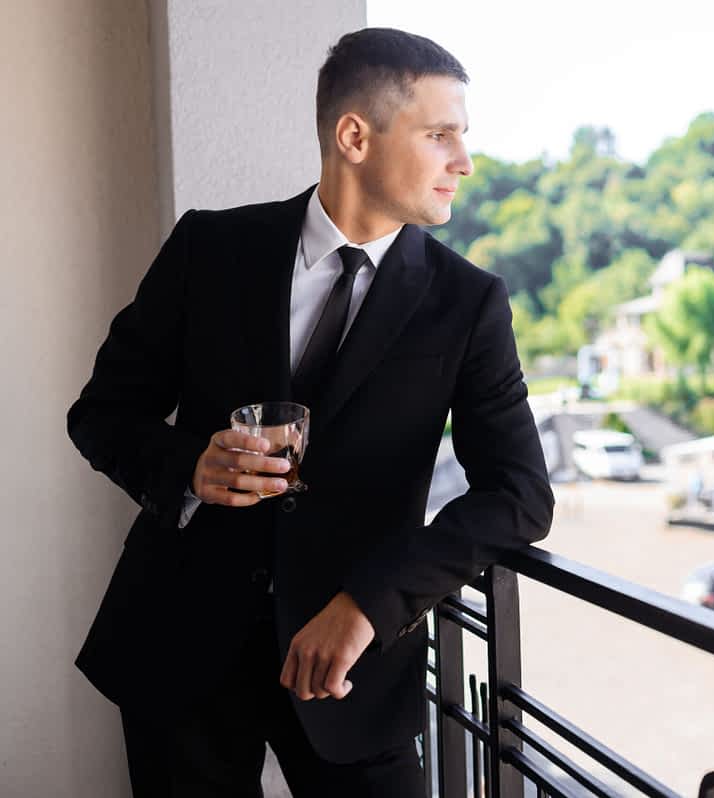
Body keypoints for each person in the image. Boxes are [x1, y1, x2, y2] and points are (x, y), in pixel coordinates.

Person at [67, 28, 553, 797]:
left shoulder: (469, 303)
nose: (464, 161)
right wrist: (189, 469)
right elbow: (101, 411)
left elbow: (520, 495)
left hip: (353, 670)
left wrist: (371, 603)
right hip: (179, 647)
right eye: (440, 136)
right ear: (355, 136)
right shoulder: (209, 248)